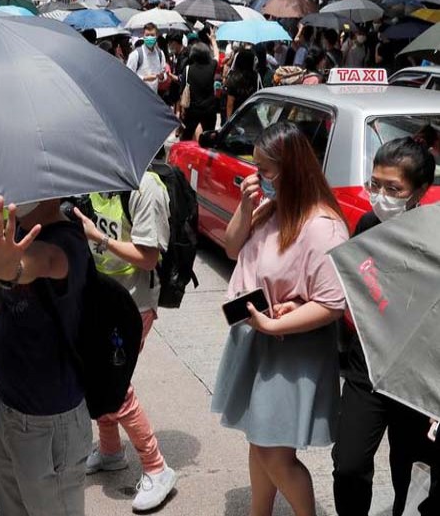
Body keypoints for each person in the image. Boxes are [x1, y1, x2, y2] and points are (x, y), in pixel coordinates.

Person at [212, 121, 349, 516]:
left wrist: (272, 324)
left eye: (266, 170)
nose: (259, 178)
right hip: (259, 337)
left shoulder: (322, 227)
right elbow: (233, 247)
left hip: (290, 350)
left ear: (292, 170)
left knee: (275, 453)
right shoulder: (273, 207)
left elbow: (331, 303)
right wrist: (244, 206)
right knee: (260, 441)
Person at [0, 196, 92, 516]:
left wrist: (8, 268)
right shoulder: (13, 234)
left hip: (49, 420)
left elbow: (42, 263)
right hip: (7, 405)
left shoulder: (68, 240)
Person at [332, 138, 439, 516]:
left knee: (409, 472)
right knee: (348, 464)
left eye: (393, 189)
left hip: (418, 377)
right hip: (369, 366)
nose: (380, 196)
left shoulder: (434, 237)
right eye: (374, 184)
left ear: (420, 191)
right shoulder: (368, 224)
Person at [72, 174, 178, 512]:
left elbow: (148, 257)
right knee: (98, 381)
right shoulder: (93, 179)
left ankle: (156, 467)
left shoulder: (147, 188)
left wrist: (97, 237)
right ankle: (110, 450)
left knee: (115, 388)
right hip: (98, 298)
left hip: (132, 307)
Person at [180, 42, 218, 141]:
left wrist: (182, 109)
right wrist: (213, 40)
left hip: (192, 110)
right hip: (209, 110)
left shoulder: (188, 69)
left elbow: (182, 90)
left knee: (187, 137)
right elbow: (217, 55)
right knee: (208, 138)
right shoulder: (212, 66)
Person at [126, 24, 167, 92]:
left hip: (154, 95)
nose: (149, 38)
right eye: (147, 35)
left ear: (156, 36)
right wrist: (144, 78)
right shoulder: (136, 55)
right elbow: (128, 76)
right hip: (138, 95)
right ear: (143, 36)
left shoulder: (160, 54)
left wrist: (162, 76)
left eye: (152, 35)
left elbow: (164, 74)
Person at [224, 49, 260, 120]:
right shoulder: (256, 76)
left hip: (236, 114)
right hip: (251, 113)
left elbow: (230, 103)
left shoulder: (233, 77)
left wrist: (228, 120)